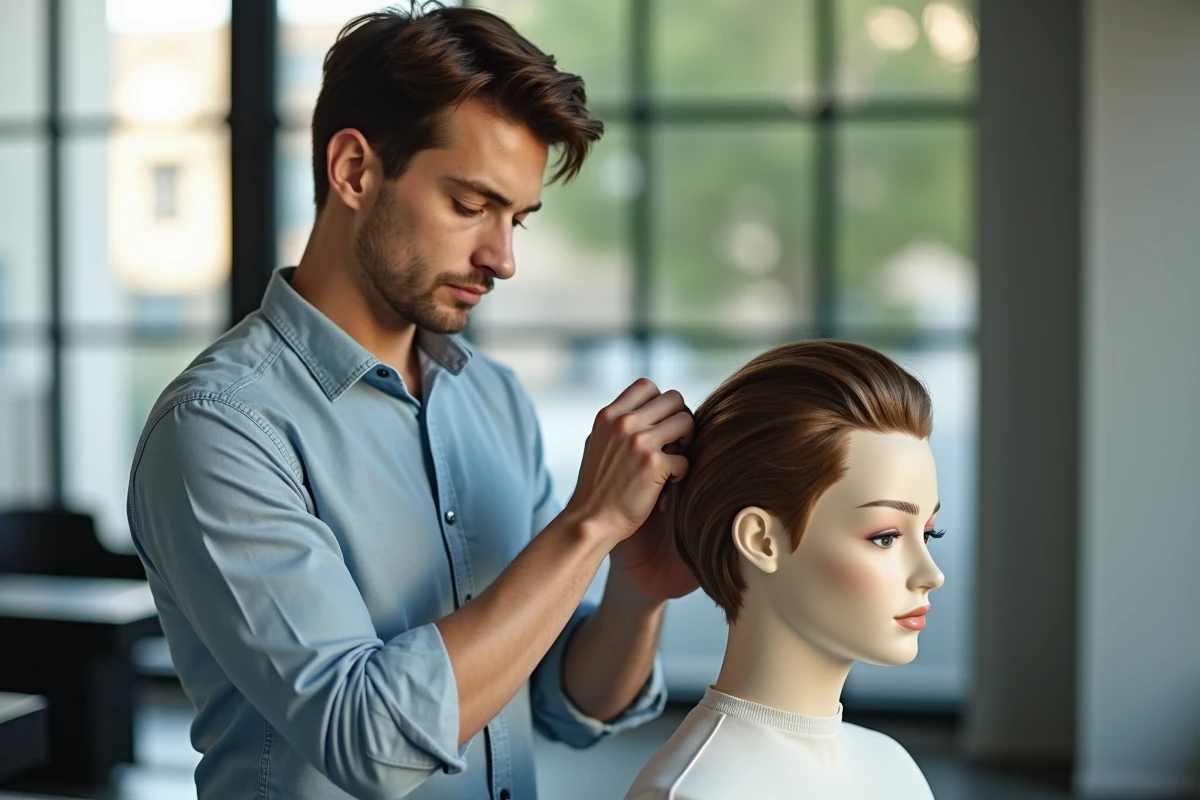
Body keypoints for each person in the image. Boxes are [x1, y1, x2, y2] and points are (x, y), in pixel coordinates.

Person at [126, 5, 697, 799]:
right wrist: (588, 526)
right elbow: (372, 743)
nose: (502, 259)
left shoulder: (492, 398)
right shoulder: (221, 426)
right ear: (355, 170)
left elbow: (560, 703)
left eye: (517, 218)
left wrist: (635, 590)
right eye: (470, 206)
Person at [624, 340, 943, 800]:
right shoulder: (693, 793)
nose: (931, 574)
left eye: (930, 533)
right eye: (885, 536)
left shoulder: (895, 767)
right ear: (761, 541)